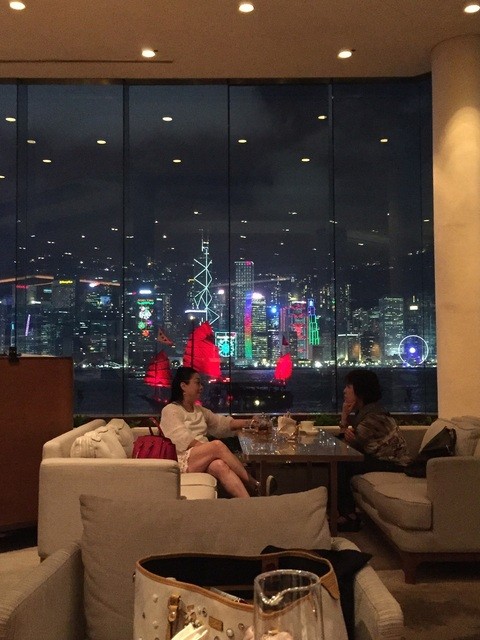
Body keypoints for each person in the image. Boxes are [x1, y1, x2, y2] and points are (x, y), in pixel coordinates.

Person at [160, 366, 272, 498]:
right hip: (180, 459)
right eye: (197, 383)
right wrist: (211, 450)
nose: (201, 387)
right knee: (217, 446)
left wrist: (250, 422)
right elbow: (181, 439)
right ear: (183, 386)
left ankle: (249, 503)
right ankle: (255, 484)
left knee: (219, 465)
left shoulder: (199, 410)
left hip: (199, 458)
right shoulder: (170, 410)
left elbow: (221, 424)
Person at [337, 369, 411, 531]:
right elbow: (347, 443)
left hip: (393, 464)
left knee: (340, 463)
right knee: (341, 462)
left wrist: (344, 421)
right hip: (379, 459)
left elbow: (346, 446)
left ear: (360, 391)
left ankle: (349, 516)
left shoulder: (374, 416)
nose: (344, 391)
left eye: (349, 387)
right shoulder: (366, 412)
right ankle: (344, 513)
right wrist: (345, 420)